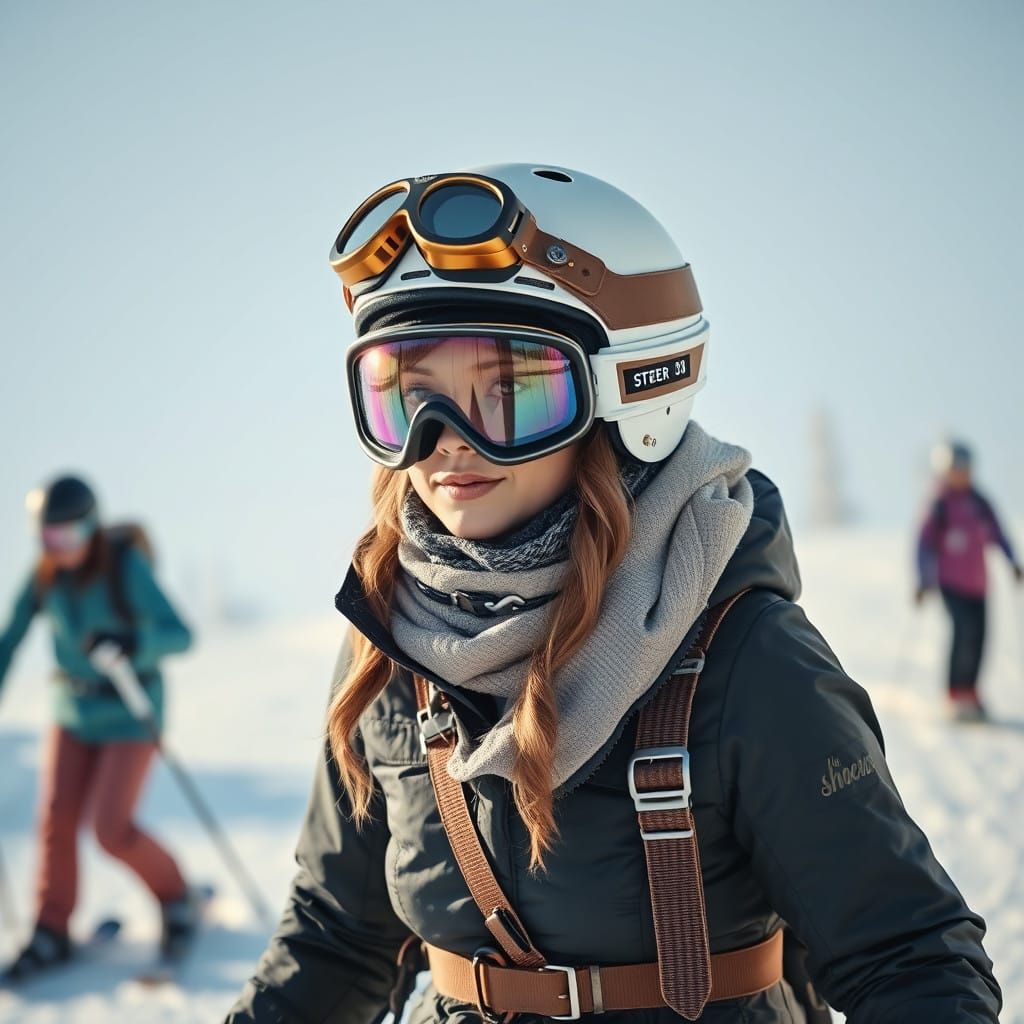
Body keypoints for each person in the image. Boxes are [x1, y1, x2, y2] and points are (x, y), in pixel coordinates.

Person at [227, 165, 1000, 1023]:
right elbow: (337, 937)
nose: (443, 442)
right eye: (410, 397)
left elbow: (909, 958)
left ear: (629, 392)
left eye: (509, 391)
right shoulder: (392, 645)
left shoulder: (743, 656)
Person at [0, 475, 197, 981]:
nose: (56, 550)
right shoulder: (45, 576)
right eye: (46, 539)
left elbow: (179, 635)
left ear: (89, 528)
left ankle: (176, 898)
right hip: (73, 712)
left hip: (130, 712)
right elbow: (11, 636)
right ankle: (50, 928)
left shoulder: (122, 566)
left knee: (110, 828)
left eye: (64, 538)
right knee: (55, 817)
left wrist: (132, 641)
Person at [916, 440, 1022, 721]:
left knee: (980, 637)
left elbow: (999, 533)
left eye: (966, 468)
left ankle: (971, 693)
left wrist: (1012, 561)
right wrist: (923, 579)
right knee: (963, 632)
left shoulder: (979, 503)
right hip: (951, 584)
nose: (962, 474)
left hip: (979, 585)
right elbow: (925, 546)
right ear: (946, 470)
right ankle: (953, 694)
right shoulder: (940, 505)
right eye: (956, 468)